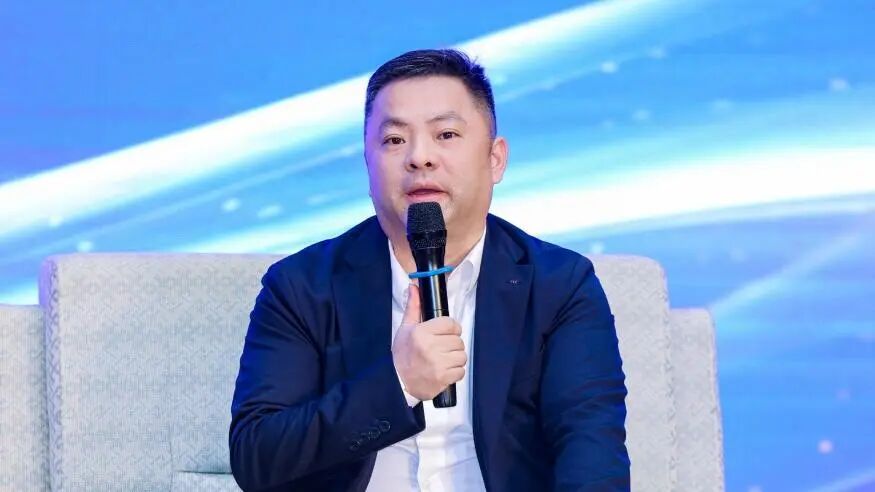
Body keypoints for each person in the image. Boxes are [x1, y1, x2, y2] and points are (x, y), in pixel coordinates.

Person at [229, 48, 630, 492]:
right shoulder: (302, 287)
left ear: (495, 159)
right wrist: (398, 382)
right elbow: (256, 459)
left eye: (446, 134)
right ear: (367, 163)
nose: (420, 157)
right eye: (394, 140)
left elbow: (592, 457)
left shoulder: (560, 286)